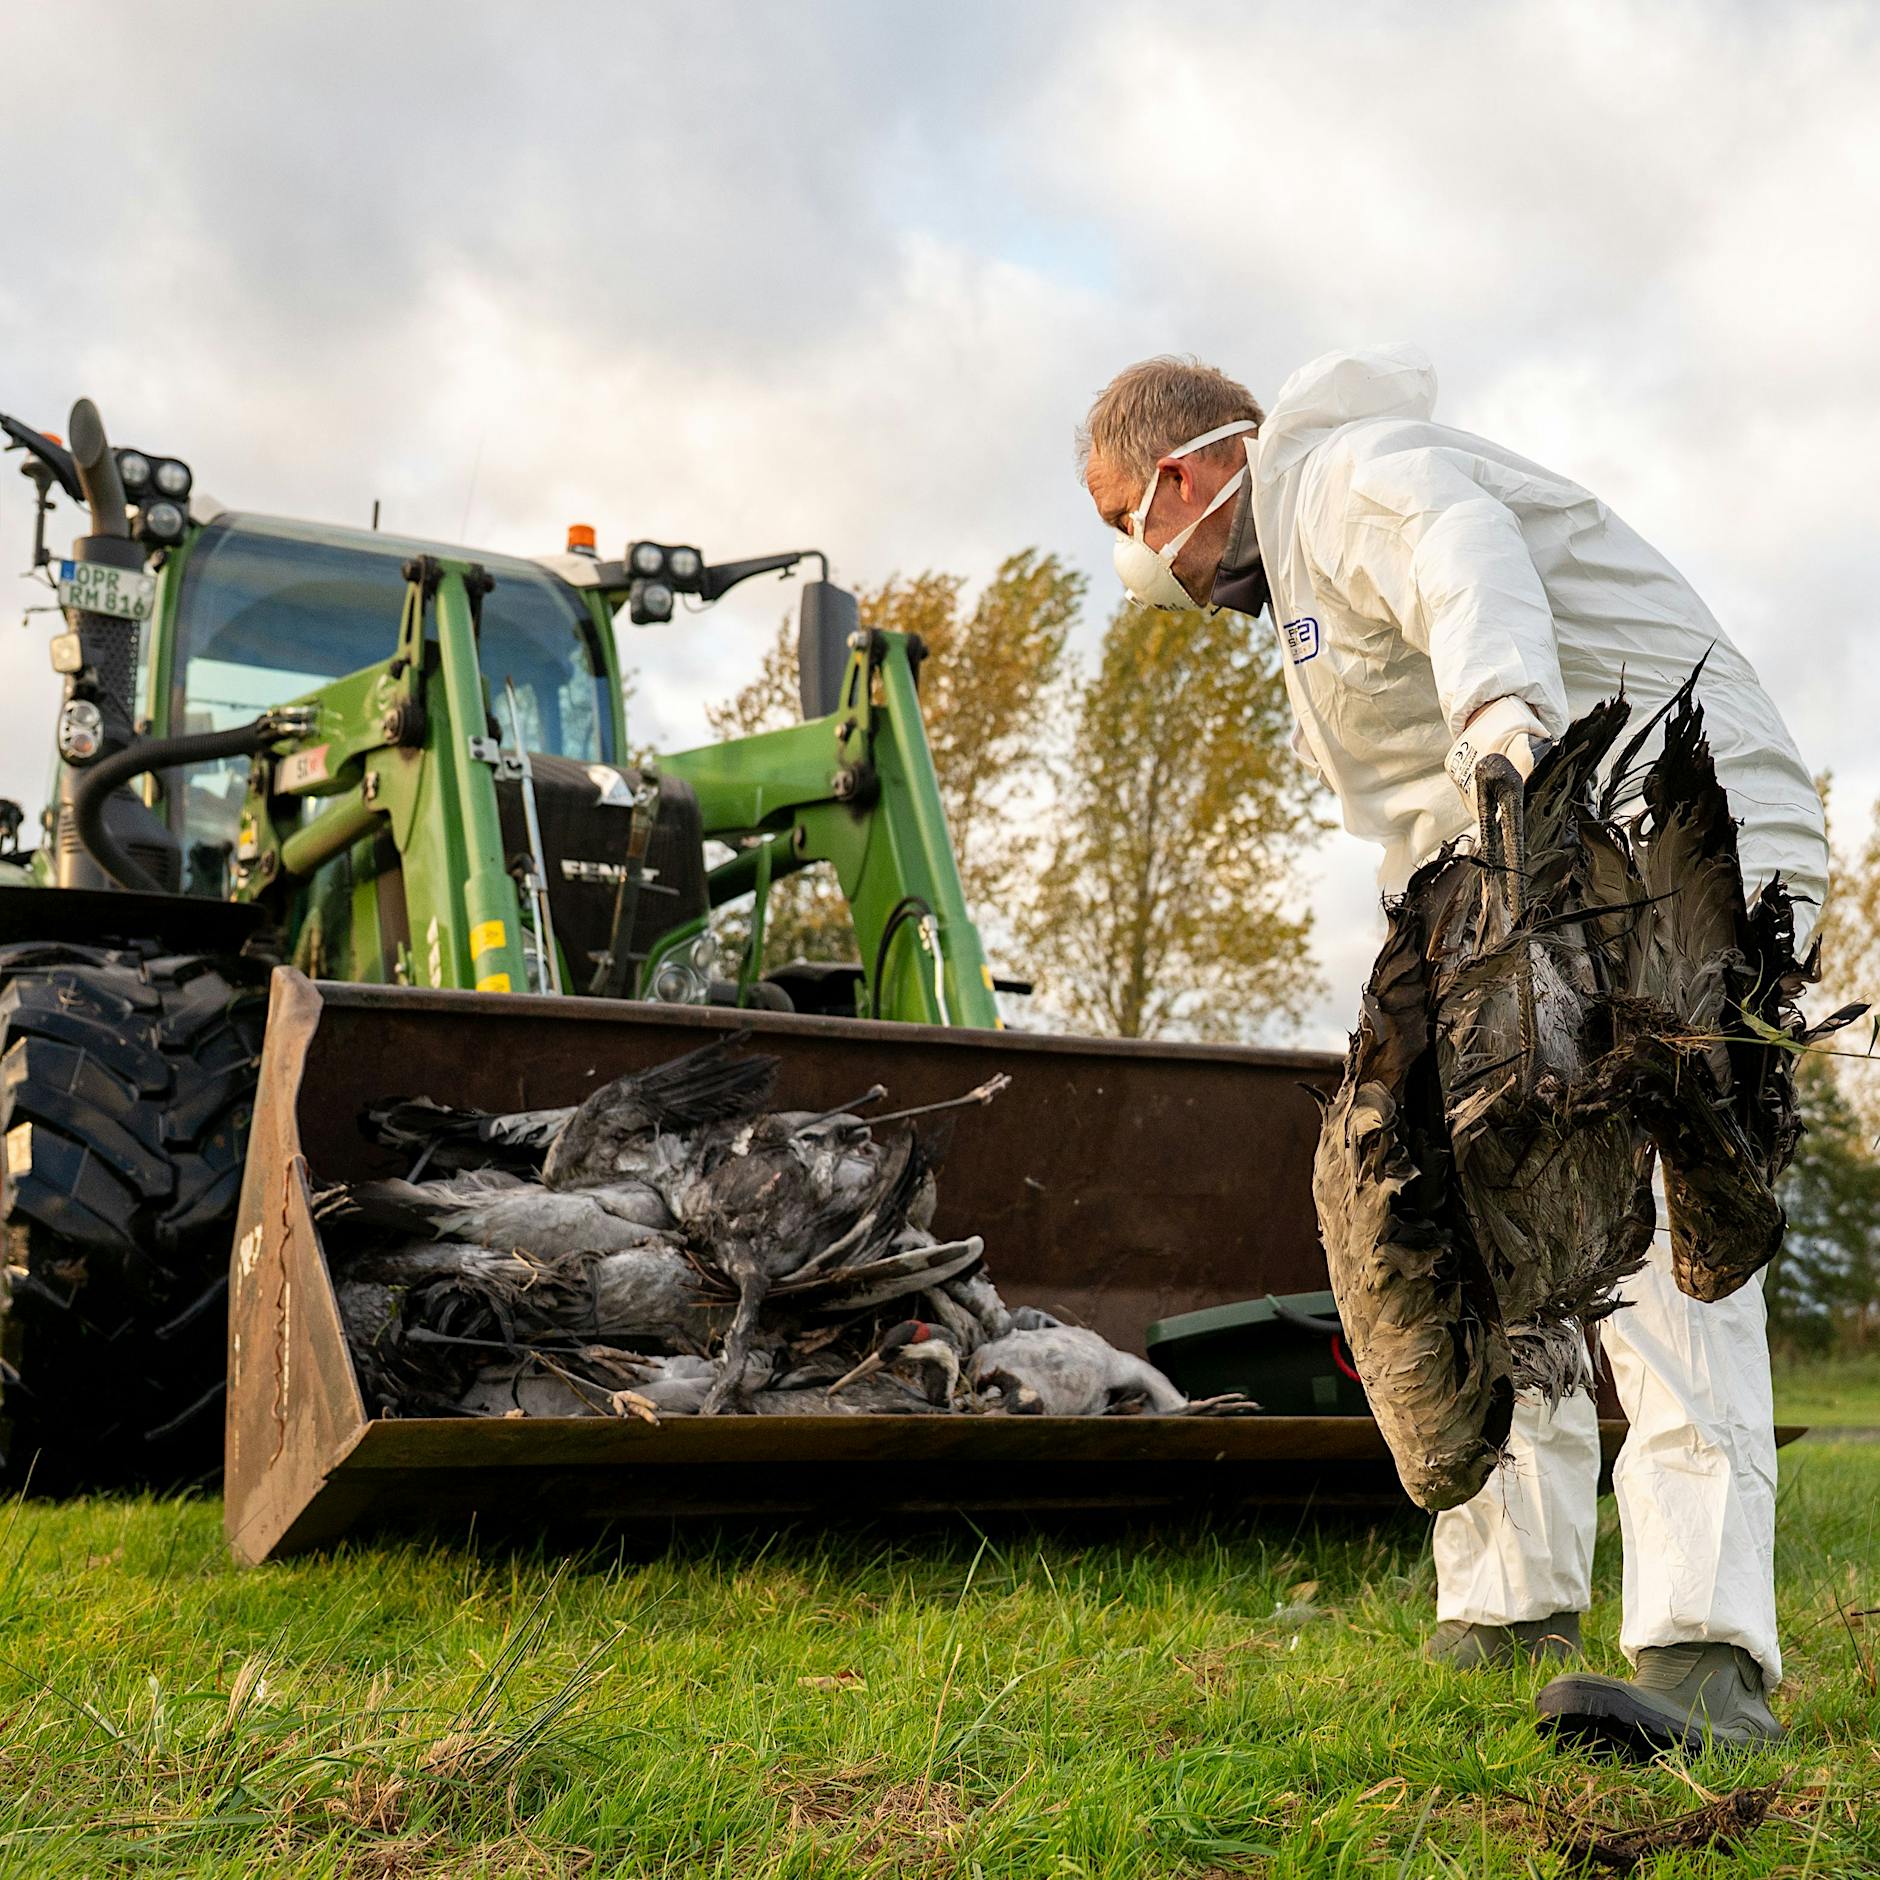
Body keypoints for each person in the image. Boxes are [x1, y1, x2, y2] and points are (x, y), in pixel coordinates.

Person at [1078, 345, 1829, 1758]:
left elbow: (1460, 551)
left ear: (1181, 477)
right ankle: (1504, 1607)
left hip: (1673, 825)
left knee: (1661, 1218)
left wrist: (1501, 719)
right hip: (1538, 847)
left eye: (1127, 522)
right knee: (1481, 1208)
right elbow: (1413, 808)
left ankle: (1704, 1655)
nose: (1143, 561)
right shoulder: (1300, 591)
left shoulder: (1345, 475)